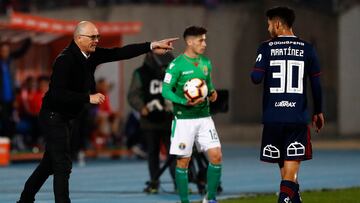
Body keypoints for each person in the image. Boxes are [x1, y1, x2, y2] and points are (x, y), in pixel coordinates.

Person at [17, 21, 177, 203]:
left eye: (97, 37)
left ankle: (25, 200)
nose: (96, 40)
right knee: (62, 164)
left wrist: (151, 45)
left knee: (49, 164)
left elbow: (120, 52)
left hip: (68, 117)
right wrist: (88, 98)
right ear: (78, 38)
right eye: (92, 37)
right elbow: (57, 94)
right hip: (53, 116)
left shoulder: (91, 55)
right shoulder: (65, 60)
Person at [250, 6, 325, 203]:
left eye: (268, 24)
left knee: (287, 175)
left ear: (277, 24)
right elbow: (316, 85)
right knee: (290, 175)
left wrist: (261, 61)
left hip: (273, 119)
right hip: (296, 119)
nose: (268, 29)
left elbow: (255, 78)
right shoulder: (307, 49)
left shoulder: (266, 48)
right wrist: (318, 112)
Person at [162, 26, 222, 203]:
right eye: (200, 40)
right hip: (183, 120)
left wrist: (212, 93)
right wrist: (183, 101)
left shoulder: (206, 63)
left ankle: (210, 199)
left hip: (205, 118)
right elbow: (166, 91)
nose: (204, 43)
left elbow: (209, 86)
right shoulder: (176, 65)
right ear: (189, 42)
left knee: (216, 157)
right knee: (183, 163)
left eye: (205, 40)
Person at [128, 52, 175, 193]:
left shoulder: (171, 71)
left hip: (169, 118)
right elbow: (133, 94)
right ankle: (154, 182)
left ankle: (179, 183)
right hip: (149, 120)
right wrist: (141, 107)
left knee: (174, 152)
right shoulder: (140, 73)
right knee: (153, 152)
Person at [0, 37, 31, 139]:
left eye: (7, 51)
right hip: (1, 100)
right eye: (3, 51)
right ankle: (4, 141)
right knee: (4, 120)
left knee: (13, 120)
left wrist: (29, 39)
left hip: (11, 99)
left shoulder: (10, 60)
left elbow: (21, 52)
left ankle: (11, 141)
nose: (5, 53)